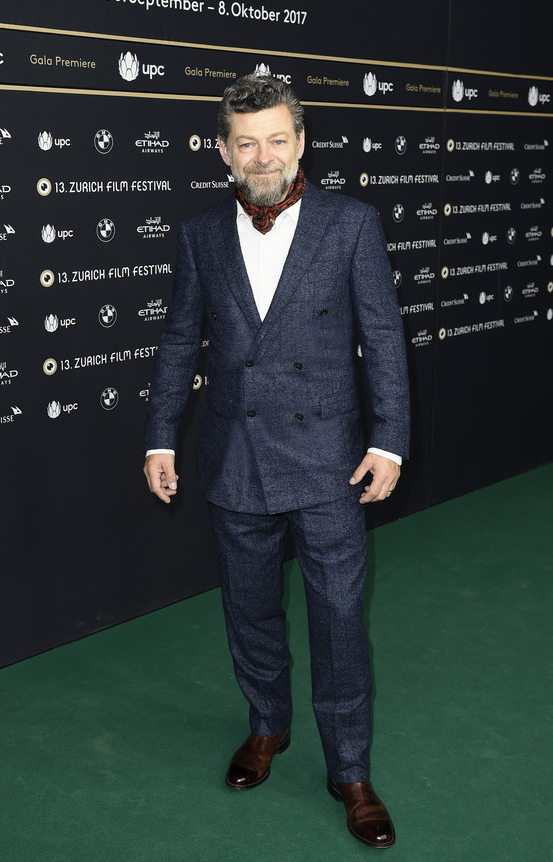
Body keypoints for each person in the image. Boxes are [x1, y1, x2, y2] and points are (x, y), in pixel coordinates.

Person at [143, 74, 410, 849]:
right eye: (246, 143)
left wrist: (388, 440)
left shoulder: (350, 223)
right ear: (223, 151)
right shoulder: (199, 232)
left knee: (337, 620)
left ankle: (349, 770)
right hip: (234, 457)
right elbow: (177, 339)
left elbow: (383, 338)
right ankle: (266, 725)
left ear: (300, 143)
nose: (263, 156)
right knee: (249, 609)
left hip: (329, 462)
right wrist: (160, 437)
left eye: (276, 140)